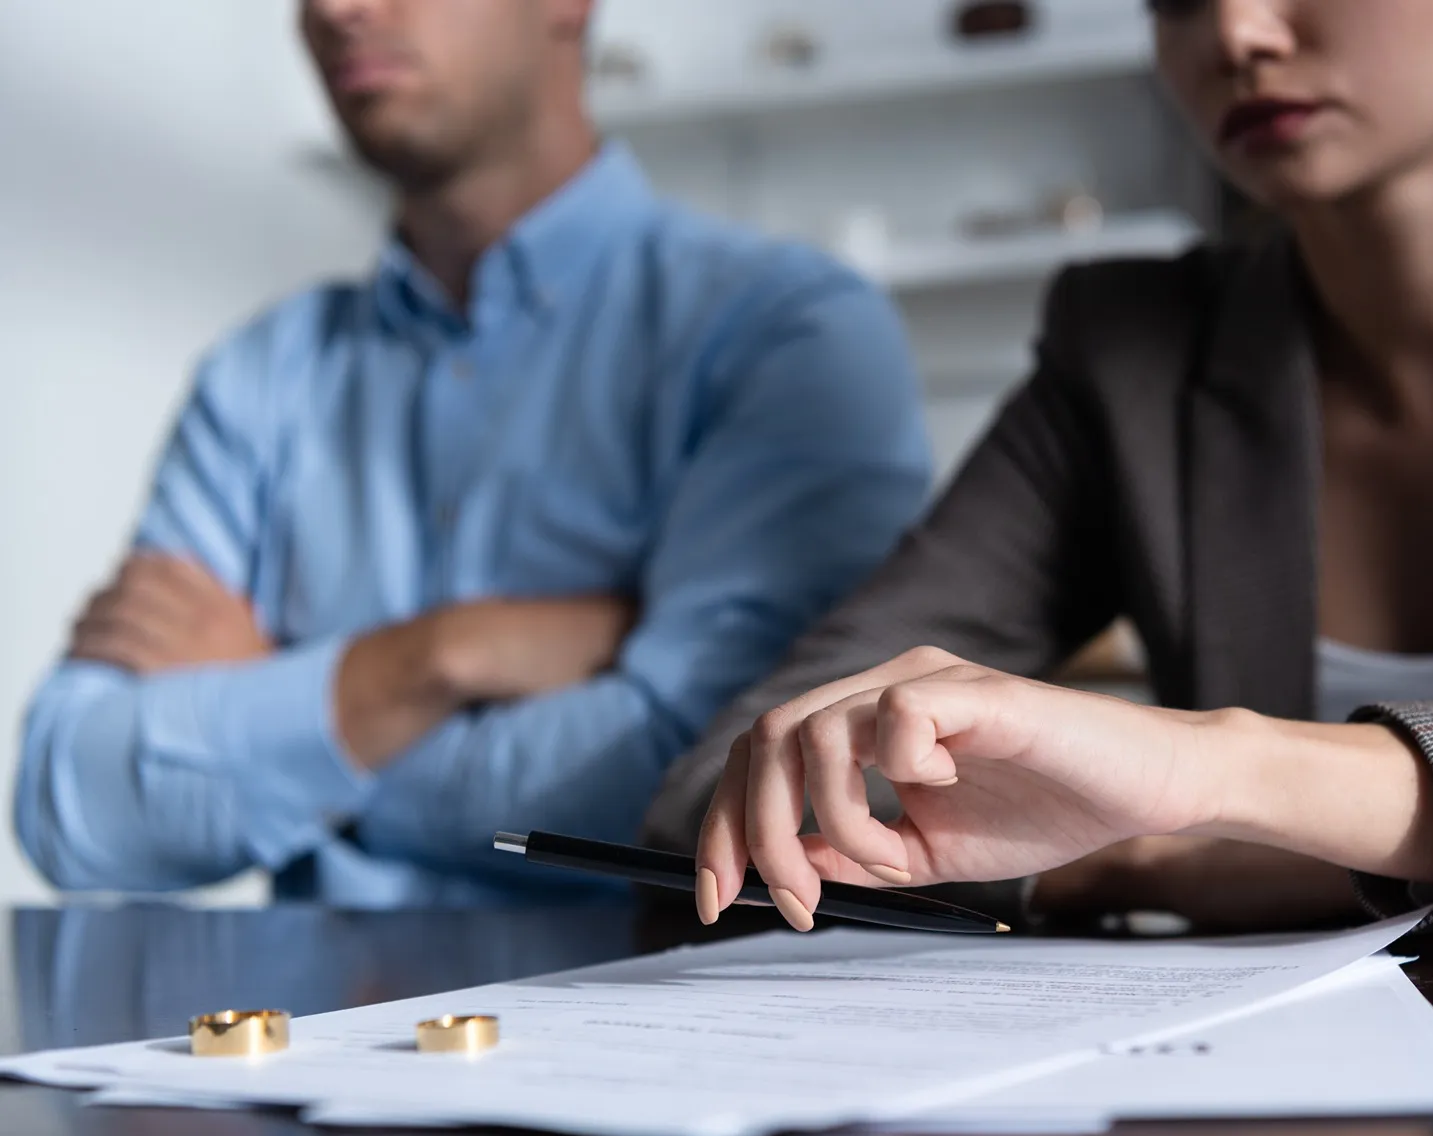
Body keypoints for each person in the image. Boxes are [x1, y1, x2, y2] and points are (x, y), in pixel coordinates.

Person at [647, 0, 1433, 960]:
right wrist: (1133, 853)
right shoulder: (1128, 356)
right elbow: (743, 782)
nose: (1235, 32)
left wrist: (1201, 775)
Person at [13, 0, 931, 904]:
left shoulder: (786, 334)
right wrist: (437, 657)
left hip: (657, 1026)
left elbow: (724, 783)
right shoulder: (258, 374)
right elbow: (70, 802)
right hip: (296, 1038)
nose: (338, 9)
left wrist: (282, 721)